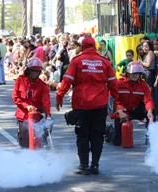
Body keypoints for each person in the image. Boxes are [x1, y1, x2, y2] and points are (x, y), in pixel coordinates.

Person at [56, 37, 118, 175]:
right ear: (94, 46)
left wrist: (59, 96)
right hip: (100, 105)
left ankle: (84, 165)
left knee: (82, 135)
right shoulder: (104, 62)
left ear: (82, 47)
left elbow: (67, 80)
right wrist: (115, 100)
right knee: (97, 135)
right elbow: (113, 83)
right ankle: (95, 165)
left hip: (81, 104)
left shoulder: (77, 61)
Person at [12, 57, 52, 148]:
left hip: (37, 116)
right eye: (33, 70)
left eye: (37, 71)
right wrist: (26, 106)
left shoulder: (43, 85)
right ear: (28, 70)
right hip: (23, 115)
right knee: (25, 142)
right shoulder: (20, 80)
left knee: (41, 137)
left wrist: (48, 115)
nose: (34, 73)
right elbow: (15, 97)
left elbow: (46, 102)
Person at [111, 61, 154, 146]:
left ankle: (150, 136)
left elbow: (148, 100)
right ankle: (109, 131)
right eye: (132, 73)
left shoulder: (143, 85)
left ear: (140, 74)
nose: (134, 75)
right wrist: (119, 112)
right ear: (128, 73)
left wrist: (149, 111)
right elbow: (111, 99)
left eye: (137, 73)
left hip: (135, 109)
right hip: (122, 111)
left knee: (151, 113)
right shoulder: (119, 83)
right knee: (117, 142)